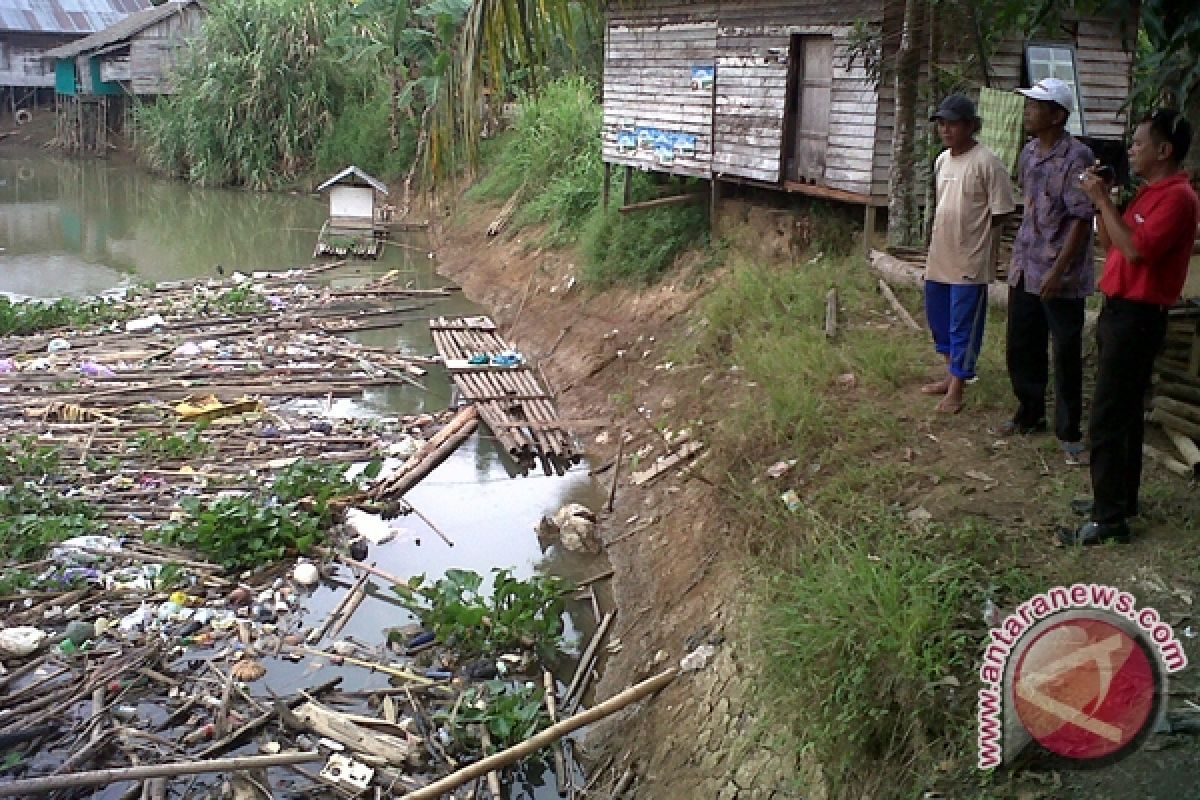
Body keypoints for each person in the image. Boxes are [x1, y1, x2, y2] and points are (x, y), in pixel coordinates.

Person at [1061, 109, 1199, 546]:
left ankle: (1109, 518)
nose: (1132, 150)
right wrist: (1106, 201)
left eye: (1139, 143)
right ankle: (1120, 499)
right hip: (1119, 310)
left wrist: (1102, 202)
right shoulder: (1150, 192)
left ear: (1164, 150)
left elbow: (1137, 253)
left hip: (1139, 317)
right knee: (1124, 416)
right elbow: (1114, 244)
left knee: (1106, 417)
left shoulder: (1177, 198)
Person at [1005, 78, 1095, 464]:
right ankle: (1029, 413)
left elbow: (1080, 219)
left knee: (1065, 351)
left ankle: (1068, 428)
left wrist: (1058, 271)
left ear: (1057, 115)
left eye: (1037, 106)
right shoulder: (1027, 153)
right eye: (1029, 105)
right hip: (1026, 265)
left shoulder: (1078, 157)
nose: (1029, 111)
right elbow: (1028, 205)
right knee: (1021, 344)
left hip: (1062, 274)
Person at [922, 94, 1017, 413]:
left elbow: (1002, 210)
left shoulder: (987, 162)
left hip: (970, 259)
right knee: (939, 318)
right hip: (940, 254)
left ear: (970, 126)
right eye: (942, 124)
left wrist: (981, 239)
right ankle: (950, 375)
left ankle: (959, 388)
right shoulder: (942, 160)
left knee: (964, 323)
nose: (946, 130)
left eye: (953, 124)